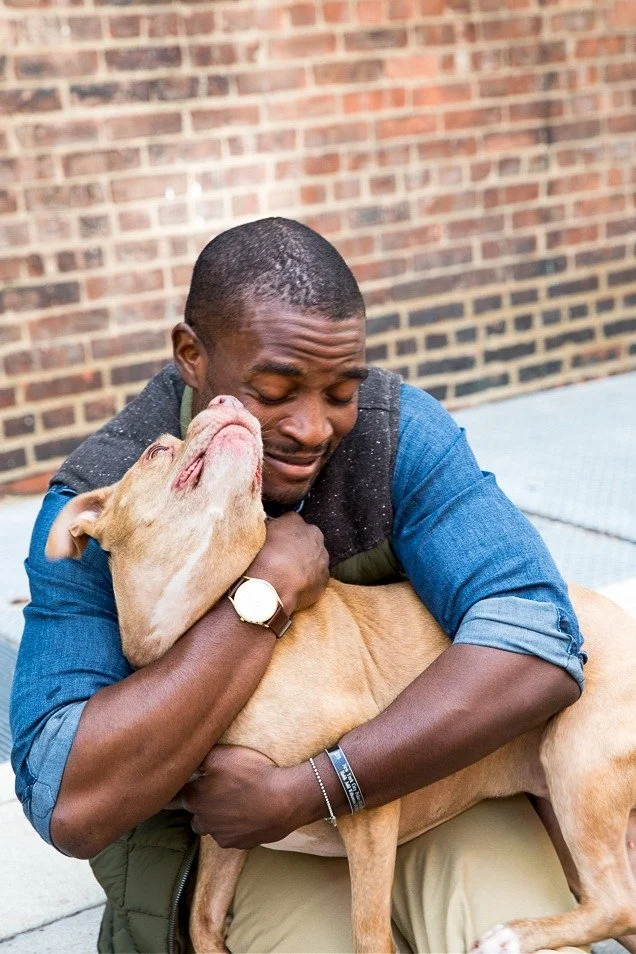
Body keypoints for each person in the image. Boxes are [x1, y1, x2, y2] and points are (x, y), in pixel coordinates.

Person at [11, 217, 587, 954]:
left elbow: (539, 638)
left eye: (340, 390)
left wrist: (320, 784)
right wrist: (266, 595)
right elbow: (71, 798)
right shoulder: (110, 496)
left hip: (433, 788)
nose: (314, 428)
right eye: (275, 391)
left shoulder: (394, 433)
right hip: (233, 835)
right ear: (191, 354)